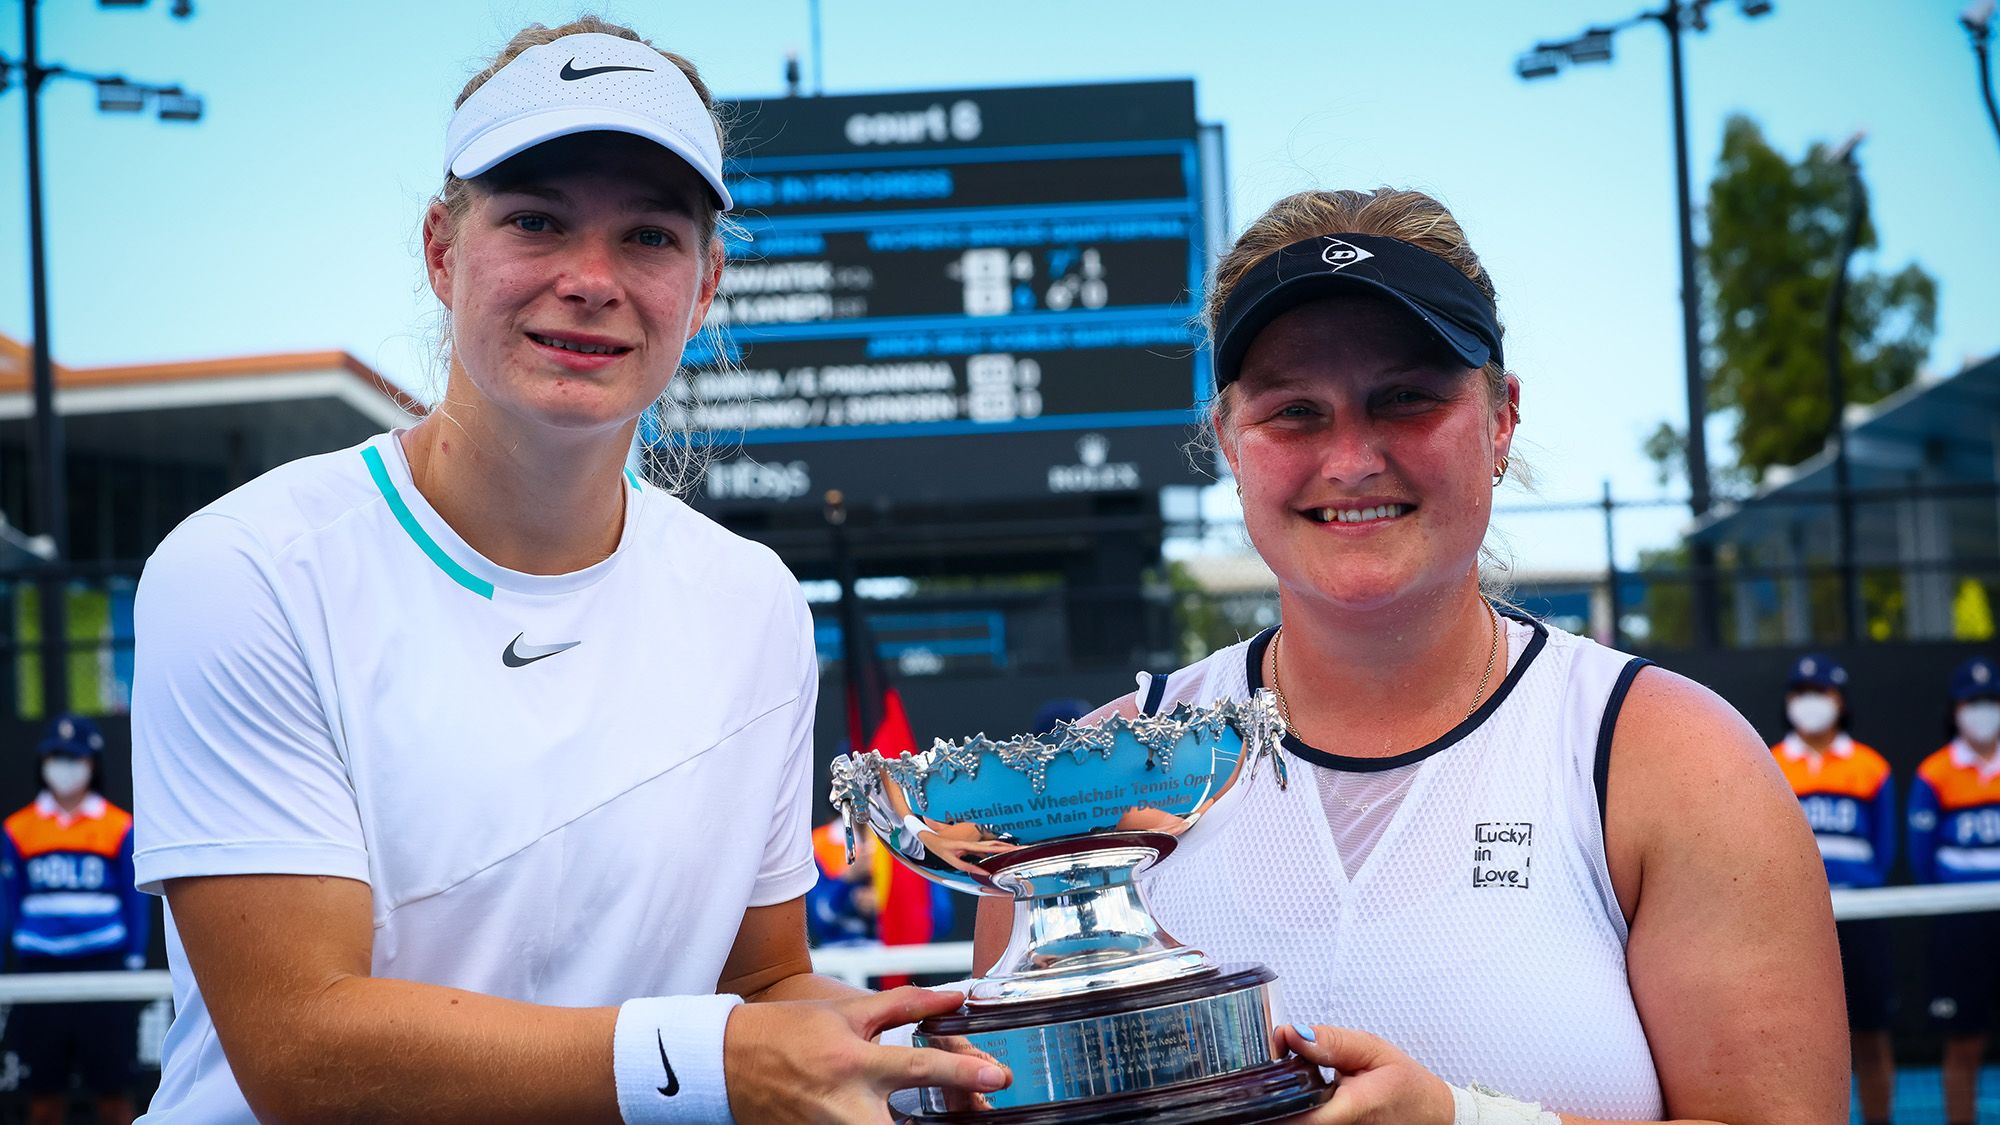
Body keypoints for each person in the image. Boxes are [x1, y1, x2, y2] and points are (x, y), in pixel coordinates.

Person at [129, 19, 1004, 1124]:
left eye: (647, 237)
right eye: (536, 222)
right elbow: (302, 1052)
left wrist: (932, 1049)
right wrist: (712, 1066)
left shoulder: (753, 605)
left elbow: (753, 987)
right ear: (443, 250)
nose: (590, 281)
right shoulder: (245, 569)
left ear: (704, 287)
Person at [973, 188, 1844, 1123]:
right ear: (1228, 439)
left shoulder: (1669, 759)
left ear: (1501, 418)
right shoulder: (1086, 787)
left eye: (1407, 399)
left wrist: (1467, 1120)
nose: (1350, 459)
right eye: (1294, 411)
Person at [2, 715, 148, 1125]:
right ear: (42, 761)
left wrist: (133, 962)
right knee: (42, 1099)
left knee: (115, 1096)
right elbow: (8, 902)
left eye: (75, 757)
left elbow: (135, 899)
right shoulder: (18, 829)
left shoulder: (119, 826)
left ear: (93, 763)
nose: (64, 766)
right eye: (56, 756)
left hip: (104, 970)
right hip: (39, 973)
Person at [1770, 654, 1896, 1125]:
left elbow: (1883, 853)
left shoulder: (1871, 768)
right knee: (1794, 1040)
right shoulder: (1768, 762)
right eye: (1801, 693)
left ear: (1840, 701)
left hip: (1861, 917)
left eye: (1821, 693)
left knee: (1871, 1034)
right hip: (1792, 922)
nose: (1811, 703)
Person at [1908, 655, 2000, 1125]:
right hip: (1960, 923)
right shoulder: (1934, 773)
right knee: (1963, 1043)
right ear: (1955, 709)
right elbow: (1921, 857)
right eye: (1971, 701)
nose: (1981, 710)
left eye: (1990, 700)